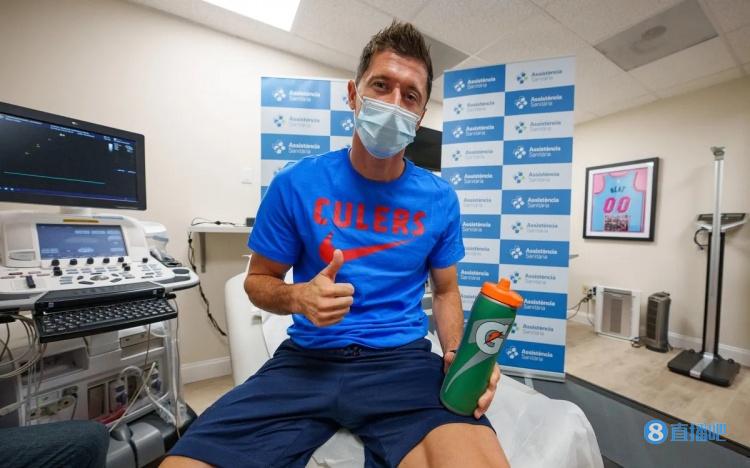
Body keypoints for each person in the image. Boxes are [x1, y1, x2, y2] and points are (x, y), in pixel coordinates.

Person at [163, 21, 509, 468]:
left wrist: (458, 355)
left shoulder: (440, 199)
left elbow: (445, 291)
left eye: (410, 95)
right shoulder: (295, 183)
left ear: (421, 116)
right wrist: (298, 297)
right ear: (353, 94)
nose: (393, 103)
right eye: (381, 85)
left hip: (401, 364)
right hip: (307, 362)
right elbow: (257, 281)